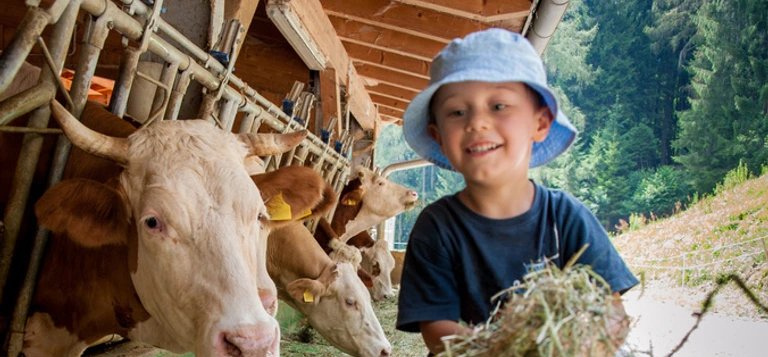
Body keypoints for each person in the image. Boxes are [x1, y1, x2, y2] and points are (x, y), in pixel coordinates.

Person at [395, 28, 639, 355]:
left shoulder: (565, 217)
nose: (477, 122)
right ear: (438, 136)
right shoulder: (436, 228)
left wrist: (577, 347)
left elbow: (612, 313)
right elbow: (438, 331)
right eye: (457, 112)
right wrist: (507, 347)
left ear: (540, 123)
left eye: (498, 105)